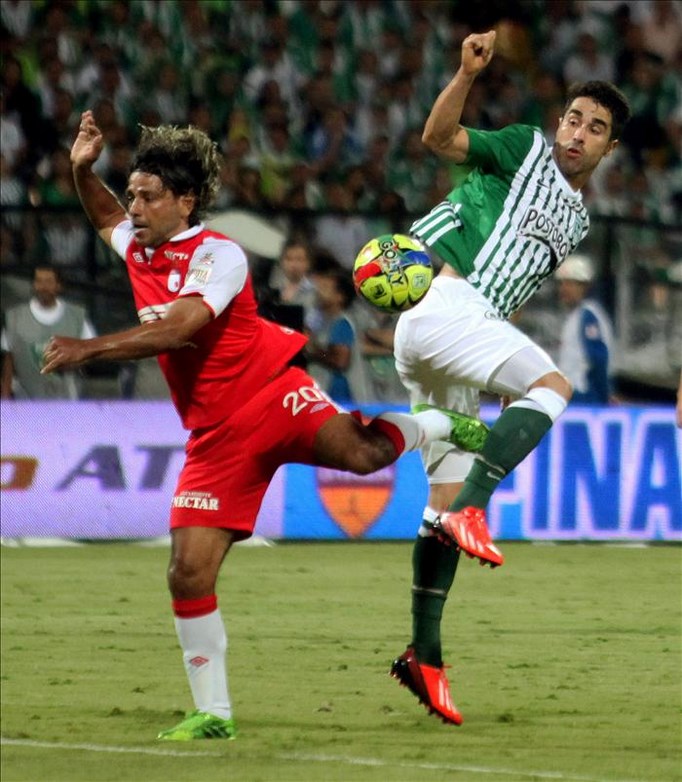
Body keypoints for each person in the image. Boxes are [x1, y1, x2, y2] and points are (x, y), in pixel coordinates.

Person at [41, 110, 490, 742]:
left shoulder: (218, 255)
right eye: (133, 193)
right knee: (187, 571)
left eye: (147, 196)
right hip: (215, 436)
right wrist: (81, 169)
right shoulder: (139, 245)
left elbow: (179, 328)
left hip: (273, 396)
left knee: (363, 456)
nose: (133, 206)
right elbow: (106, 218)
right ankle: (214, 713)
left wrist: (89, 349)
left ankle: (440, 423)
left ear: (185, 200)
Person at [390, 31, 631, 725]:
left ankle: (423, 656)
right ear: (558, 122)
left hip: (458, 330)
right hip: (442, 302)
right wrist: (466, 75)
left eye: (596, 129)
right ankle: (474, 503)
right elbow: (439, 138)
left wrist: (492, 361)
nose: (578, 134)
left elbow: (515, 279)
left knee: (435, 509)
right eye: (574, 119)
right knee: (552, 387)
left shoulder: (577, 217)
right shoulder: (524, 147)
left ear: (609, 149)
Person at [1, 264, 96, 399]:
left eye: (48, 282)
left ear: (59, 286)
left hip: (68, 400)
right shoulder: (15, 317)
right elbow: (8, 359)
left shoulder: (76, 316)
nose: (43, 287)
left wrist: (71, 364)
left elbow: (91, 352)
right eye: (39, 281)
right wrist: (5, 396)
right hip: (26, 400)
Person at [304, 265, 371, 404]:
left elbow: (340, 361)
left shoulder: (342, 323)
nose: (318, 292)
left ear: (339, 297)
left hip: (339, 398)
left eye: (325, 288)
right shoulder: (321, 322)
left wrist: (311, 350)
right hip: (324, 394)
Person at [555, 253, 614, 405]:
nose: (564, 289)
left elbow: (598, 358)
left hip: (585, 395)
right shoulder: (575, 316)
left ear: (585, 286)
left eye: (570, 284)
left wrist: (604, 394)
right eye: (562, 283)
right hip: (570, 394)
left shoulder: (589, 316)